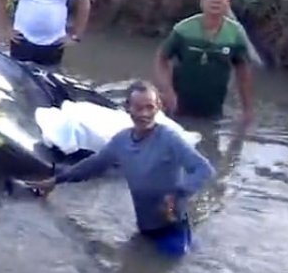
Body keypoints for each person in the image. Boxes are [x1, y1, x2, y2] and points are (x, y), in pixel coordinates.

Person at [25, 81, 215, 256]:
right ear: (127, 108)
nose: (144, 114)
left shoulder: (169, 139)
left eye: (150, 107)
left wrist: (177, 194)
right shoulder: (121, 141)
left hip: (172, 230)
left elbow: (204, 169)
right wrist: (56, 181)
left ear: (158, 108)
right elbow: (92, 166)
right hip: (145, 228)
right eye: (138, 108)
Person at [153, 0, 255, 123]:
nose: (216, 1)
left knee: (211, 140)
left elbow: (243, 71)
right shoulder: (183, 29)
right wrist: (168, 91)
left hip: (214, 108)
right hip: (178, 107)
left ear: (229, 2)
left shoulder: (235, 34)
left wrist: (247, 110)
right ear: (201, 1)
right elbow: (162, 58)